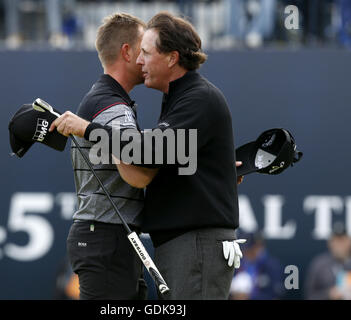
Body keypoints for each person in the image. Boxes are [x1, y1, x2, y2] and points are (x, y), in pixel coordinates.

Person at [50, 11, 244, 300]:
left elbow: (150, 155)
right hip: (181, 245)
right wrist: (210, 170)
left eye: (147, 53)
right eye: (139, 53)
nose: (141, 61)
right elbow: (169, 156)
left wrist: (88, 129)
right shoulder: (180, 98)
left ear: (172, 58)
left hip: (196, 245)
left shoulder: (198, 97)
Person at [63, 13, 148, 300]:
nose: (148, 56)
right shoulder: (111, 107)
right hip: (107, 237)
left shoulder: (106, 100)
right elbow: (137, 156)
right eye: (144, 48)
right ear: (127, 51)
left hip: (105, 236)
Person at [230, 231, 284, 300]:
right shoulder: (238, 263)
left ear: (259, 247)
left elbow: (276, 295)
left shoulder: (273, 267)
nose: (246, 253)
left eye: (250, 250)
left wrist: (249, 297)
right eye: (245, 250)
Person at [305, 222, 351, 300]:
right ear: (330, 242)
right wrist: (329, 294)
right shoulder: (319, 264)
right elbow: (309, 296)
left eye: (342, 240)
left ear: (349, 242)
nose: (339, 245)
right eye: (336, 240)